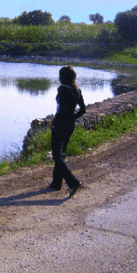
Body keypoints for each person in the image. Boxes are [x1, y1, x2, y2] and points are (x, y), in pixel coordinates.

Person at [47, 65, 86, 197]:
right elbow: (82, 110)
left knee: (56, 156)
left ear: (62, 77)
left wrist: (55, 122)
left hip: (60, 125)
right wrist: (71, 118)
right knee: (61, 154)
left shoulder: (62, 89)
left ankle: (73, 182)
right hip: (70, 125)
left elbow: (61, 110)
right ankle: (56, 183)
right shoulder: (77, 90)